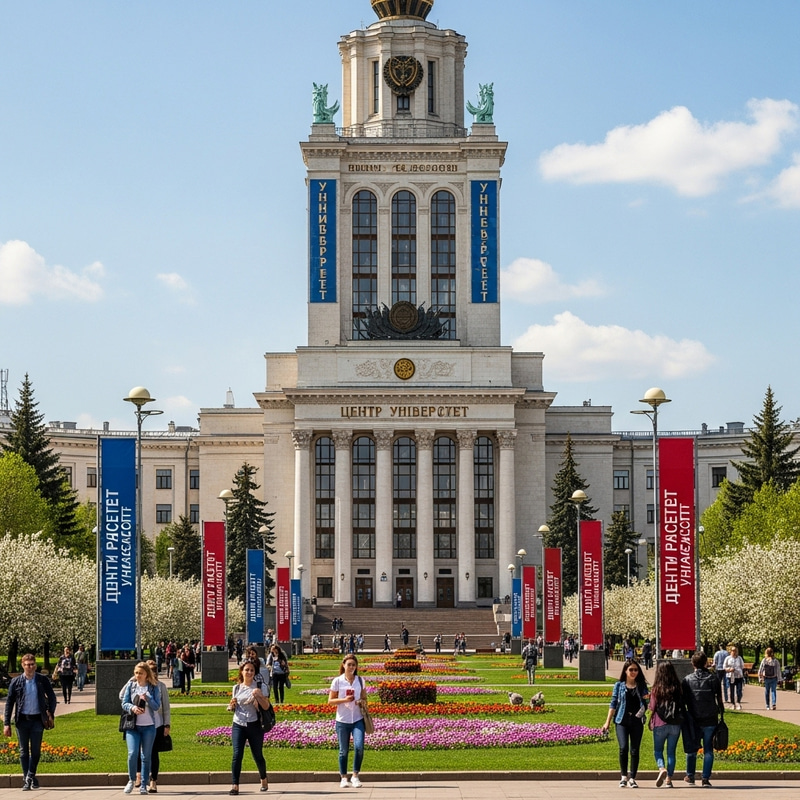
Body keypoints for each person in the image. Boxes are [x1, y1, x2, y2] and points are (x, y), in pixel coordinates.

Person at [3, 653, 58, 791]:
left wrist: (50, 712)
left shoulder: (41, 680)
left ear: (35, 665)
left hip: (37, 721)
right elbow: (9, 703)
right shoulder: (16, 682)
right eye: (27, 664)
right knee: (23, 752)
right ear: (23, 665)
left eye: (32, 664)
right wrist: (6, 723)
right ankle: (28, 778)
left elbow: (51, 696)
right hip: (22, 721)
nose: (30, 667)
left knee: (36, 751)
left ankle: (30, 775)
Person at [601, 659, 649, 788]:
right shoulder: (619, 685)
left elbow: (647, 702)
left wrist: (645, 706)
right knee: (623, 748)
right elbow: (613, 704)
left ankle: (632, 777)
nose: (633, 672)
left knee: (634, 750)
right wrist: (607, 722)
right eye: (631, 670)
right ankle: (623, 776)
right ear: (626, 671)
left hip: (636, 721)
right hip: (621, 721)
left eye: (636, 670)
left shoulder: (641, 686)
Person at [682, 651, 724, 788]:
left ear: (692, 663)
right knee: (708, 750)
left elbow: (684, 700)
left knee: (692, 749)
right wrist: (721, 713)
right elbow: (719, 698)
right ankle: (705, 778)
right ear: (706, 663)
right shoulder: (713, 679)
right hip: (710, 719)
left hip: (693, 719)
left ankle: (690, 775)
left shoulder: (687, 680)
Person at [227, 662, 270, 795]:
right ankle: (235, 785)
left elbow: (266, 706)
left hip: (254, 724)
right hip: (238, 724)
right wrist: (232, 705)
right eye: (247, 670)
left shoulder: (260, 687)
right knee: (237, 754)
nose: (249, 672)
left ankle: (263, 778)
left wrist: (259, 696)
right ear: (242, 672)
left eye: (252, 670)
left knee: (257, 755)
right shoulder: (236, 688)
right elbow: (234, 706)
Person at [121, 662, 162, 795]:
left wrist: (148, 698)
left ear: (146, 674)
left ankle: (144, 784)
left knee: (146, 756)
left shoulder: (153, 687)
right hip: (133, 726)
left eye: (141, 673)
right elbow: (124, 702)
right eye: (136, 673)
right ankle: (131, 780)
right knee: (132, 754)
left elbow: (156, 706)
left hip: (149, 726)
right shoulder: (131, 686)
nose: (138, 676)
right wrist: (132, 708)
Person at [328, 654, 366, 789]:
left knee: (359, 747)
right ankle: (343, 777)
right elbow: (330, 701)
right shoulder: (337, 681)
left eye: (353, 665)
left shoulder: (360, 681)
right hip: (342, 720)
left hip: (357, 719)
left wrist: (360, 701)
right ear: (343, 665)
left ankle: (355, 775)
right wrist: (344, 700)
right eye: (349, 664)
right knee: (343, 751)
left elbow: (364, 698)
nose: (351, 667)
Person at [648, 661, 684, 788]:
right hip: (675, 724)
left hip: (659, 723)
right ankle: (669, 779)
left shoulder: (656, 689)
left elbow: (652, 707)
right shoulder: (678, 688)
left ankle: (662, 768)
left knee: (658, 750)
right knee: (671, 752)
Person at [723, 645, 745, 710]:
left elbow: (742, 666)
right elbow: (724, 667)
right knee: (731, 690)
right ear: (730, 651)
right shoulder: (728, 658)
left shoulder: (739, 658)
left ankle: (738, 701)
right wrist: (729, 669)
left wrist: (740, 671)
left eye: (735, 651)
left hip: (738, 676)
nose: (734, 652)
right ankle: (732, 703)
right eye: (733, 651)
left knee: (739, 690)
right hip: (731, 676)